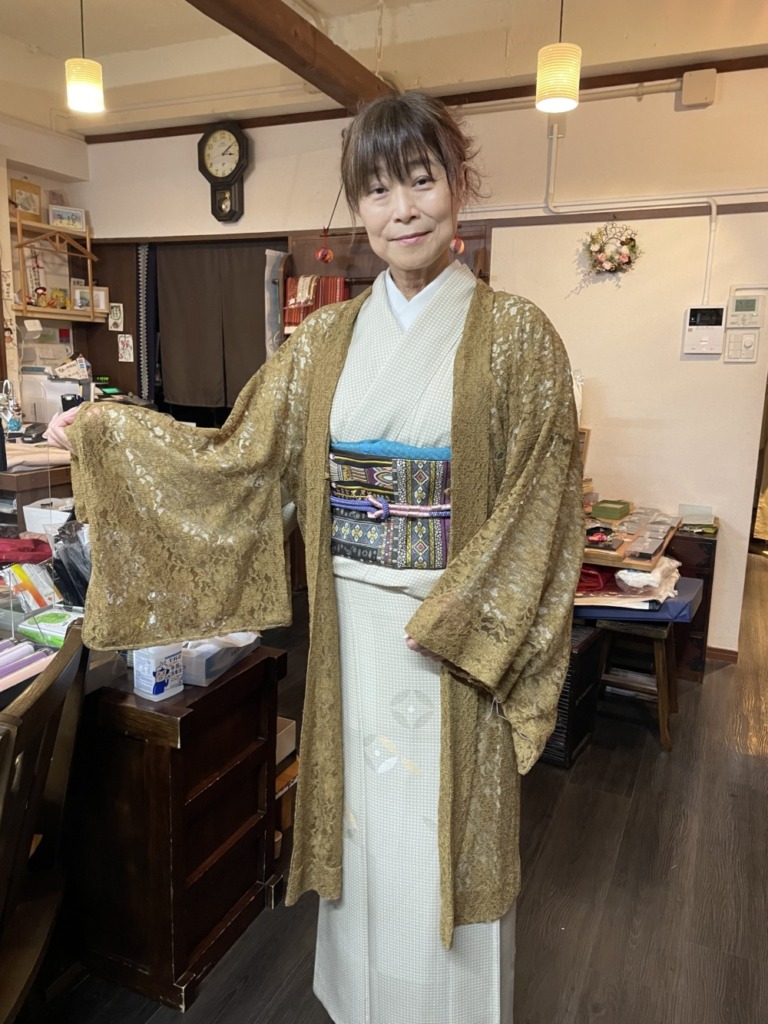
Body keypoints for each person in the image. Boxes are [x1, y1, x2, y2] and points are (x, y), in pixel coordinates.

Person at [46, 91, 583, 1024]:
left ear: (459, 184)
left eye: (422, 181)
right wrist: (107, 429)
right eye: (377, 190)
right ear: (358, 207)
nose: (402, 210)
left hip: (456, 640)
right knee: (363, 837)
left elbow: (543, 499)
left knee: (442, 849)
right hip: (350, 629)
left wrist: (463, 619)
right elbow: (238, 456)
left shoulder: (517, 335)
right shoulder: (325, 340)